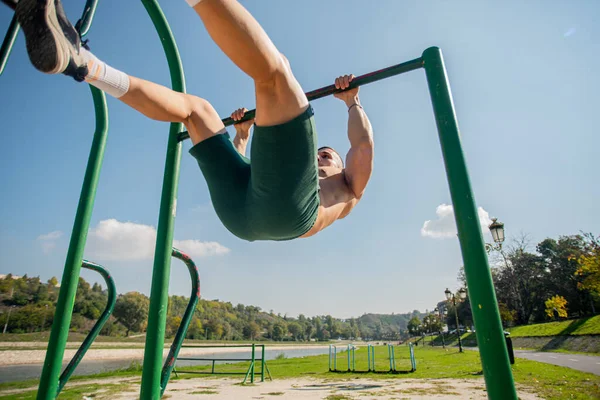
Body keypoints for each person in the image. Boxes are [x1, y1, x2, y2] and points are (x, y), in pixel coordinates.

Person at [16, 0, 374, 242]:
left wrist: (352, 102)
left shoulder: (348, 187)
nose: (320, 155)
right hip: (241, 213)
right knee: (196, 112)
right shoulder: (294, 172)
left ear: (340, 166)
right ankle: (86, 65)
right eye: (320, 153)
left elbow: (361, 145)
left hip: (293, 213)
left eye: (327, 155)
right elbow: (244, 168)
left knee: (277, 75)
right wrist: (242, 135)